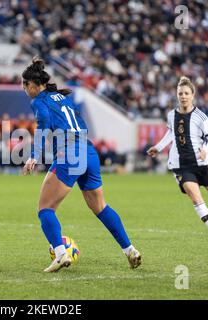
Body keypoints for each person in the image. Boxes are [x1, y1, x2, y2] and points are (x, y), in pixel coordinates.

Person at [21, 58, 141, 272]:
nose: (24, 89)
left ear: (32, 84)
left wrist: (33, 156)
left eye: (24, 85)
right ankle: (129, 249)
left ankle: (60, 253)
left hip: (70, 154)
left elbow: (42, 128)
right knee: (100, 207)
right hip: (88, 151)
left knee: (45, 209)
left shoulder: (39, 101)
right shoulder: (62, 97)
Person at [147, 77, 208, 243]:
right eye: (180, 93)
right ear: (177, 95)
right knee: (195, 196)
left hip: (202, 163)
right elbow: (171, 134)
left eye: (186, 93)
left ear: (193, 95)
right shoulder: (171, 115)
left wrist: (205, 150)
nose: (183, 96)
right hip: (182, 166)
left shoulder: (201, 117)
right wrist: (158, 147)